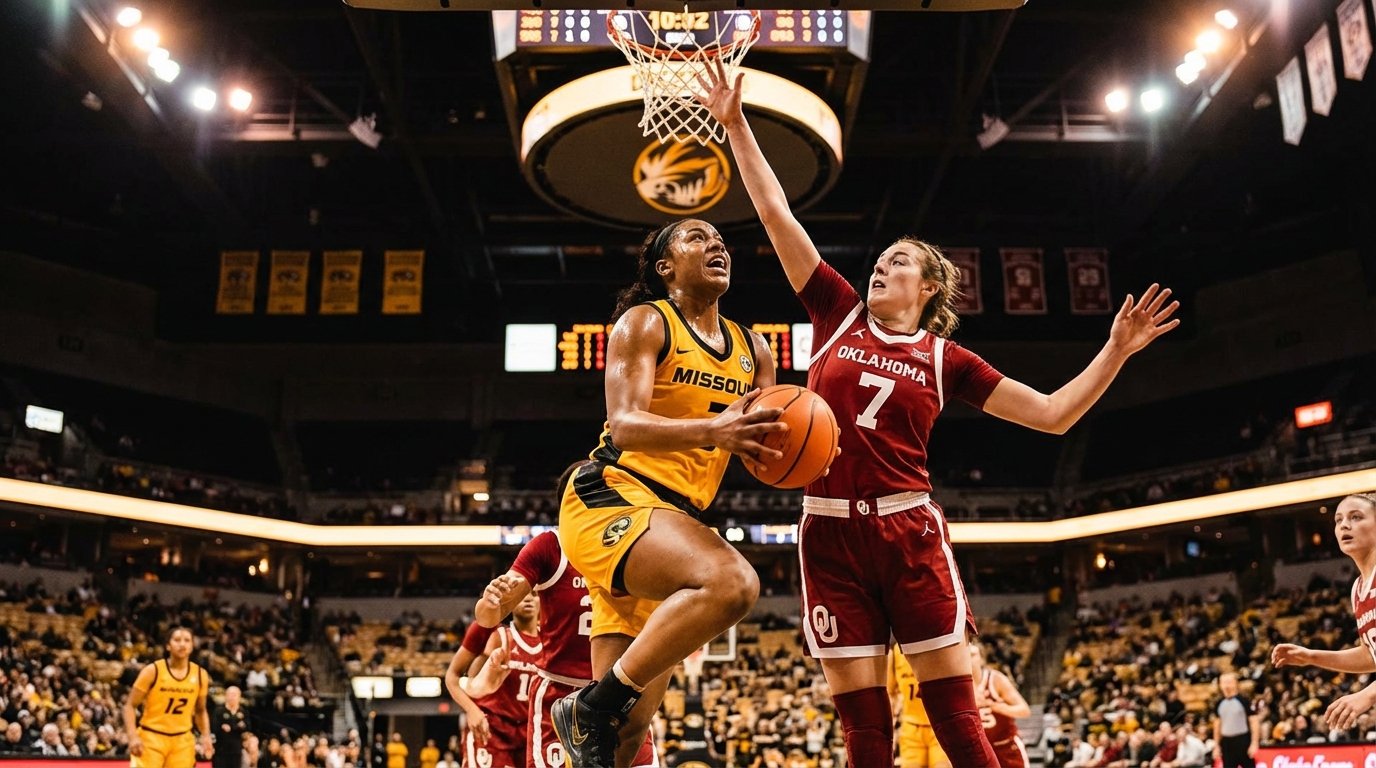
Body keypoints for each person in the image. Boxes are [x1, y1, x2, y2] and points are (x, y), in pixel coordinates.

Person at [697, 61, 1180, 768]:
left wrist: (1114, 351)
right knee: (864, 732)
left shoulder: (946, 358)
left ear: (929, 286)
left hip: (908, 527)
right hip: (828, 531)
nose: (879, 271)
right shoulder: (836, 313)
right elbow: (777, 214)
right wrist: (736, 123)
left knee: (957, 721)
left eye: (896, 264)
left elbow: (1052, 415)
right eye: (879, 263)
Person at [550, 217, 787, 767]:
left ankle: (594, 710)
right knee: (732, 583)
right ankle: (589, 704)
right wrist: (714, 431)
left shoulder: (755, 349)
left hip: (672, 526)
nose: (717, 244)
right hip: (613, 495)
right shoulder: (646, 322)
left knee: (625, 736)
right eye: (697, 237)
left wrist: (803, 449)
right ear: (665, 266)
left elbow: (772, 447)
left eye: (721, 239)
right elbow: (626, 423)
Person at [476, 526, 658, 768]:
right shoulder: (551, 545)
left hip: (618, 694)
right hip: (560, 692)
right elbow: (488, 616)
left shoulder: (636, 539)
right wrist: (491, 601)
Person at [1273, 494, 1376, 735]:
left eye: (1356, 517)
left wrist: (1368, 695)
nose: (1344, 525)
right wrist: (1312, 656)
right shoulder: (1358, 589)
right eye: (1338, 520)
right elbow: (1371, 655)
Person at [462, 593, 543, 768]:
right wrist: (472, 709)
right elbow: (471, 681)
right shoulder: (501, 636)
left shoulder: (550, 641)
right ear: (512, 603)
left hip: (529, 730)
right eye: (523, 595)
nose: (528, 598)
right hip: (494, 727)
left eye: (534, 594)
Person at [122, 626, 214, 767]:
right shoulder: (153, 671)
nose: (182, 644)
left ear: (192, 646)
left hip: (182, 740)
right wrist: (132, 737)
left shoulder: (200, 675)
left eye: (187, 640)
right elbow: (129, 705)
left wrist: (206, 736)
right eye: (177, 640)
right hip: (151, 737)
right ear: (168, 646)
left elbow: (201, 711)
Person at [970, 644, 1032, 768]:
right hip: (979, 752)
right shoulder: (960, 688)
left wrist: (998, 707)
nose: (968, 660)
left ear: (982, 659)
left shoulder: (995, 680)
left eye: (972, 655)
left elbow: (1024, 710)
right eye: (964, 656)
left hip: (1006, 746)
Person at [888, 646, 949, 768]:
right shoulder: (894, 653)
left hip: (939, 726)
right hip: (911, 728)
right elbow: (890, 694)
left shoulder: (938, 643)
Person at [444, 620, 497, 762]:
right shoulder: (486, 626)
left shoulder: (542, 626)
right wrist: (472, 709)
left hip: (526, 725)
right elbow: (460, 677)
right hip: (490, 722)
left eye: (534, 595)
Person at [1208, 673, 1259, 768]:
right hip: (1227, 743)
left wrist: (1254, 743)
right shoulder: (1218, 703)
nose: (1226, 685)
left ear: (1235, 683)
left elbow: (1254, 721)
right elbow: (1217, 725)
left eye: (1229, 682)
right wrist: (1216, 746)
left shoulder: (1244, 701)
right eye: (1223, 682)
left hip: (1243, 740)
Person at [213, 685, 251, 768]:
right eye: (230, 694)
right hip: (221, 749)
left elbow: (248, 727)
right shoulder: (219, 711)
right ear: (226, 696)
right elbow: (215, 727)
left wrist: (232, 728)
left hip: (236, 750)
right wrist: (236, 727)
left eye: (235, 695)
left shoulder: (243, 711)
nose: (232, 697)